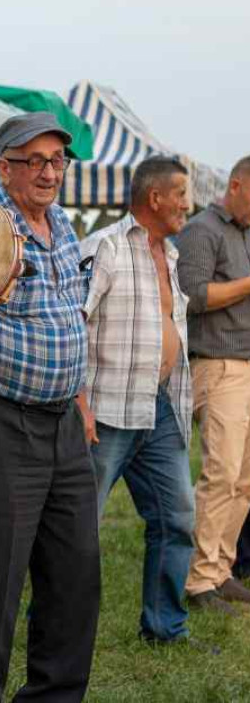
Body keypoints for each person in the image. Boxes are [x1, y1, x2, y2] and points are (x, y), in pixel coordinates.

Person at [0, 112, 100, 703]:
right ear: (3, 166)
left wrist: (80, 399)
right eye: (33, 161)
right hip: (1, 422)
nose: (48, 172)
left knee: (76, 573)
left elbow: (71, 316)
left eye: (57, 161)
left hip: (62, 424)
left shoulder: (60, 222)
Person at [77, 156, 200, 645]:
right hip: (106, 409)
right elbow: (73, 325)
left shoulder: (168, 256)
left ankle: (164, 627)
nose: (188, 206)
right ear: (156, 198)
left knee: (177, 517)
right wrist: (79, 401)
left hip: (158, 405)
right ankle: (53, 620)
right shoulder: (105, 247)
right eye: (183, 196)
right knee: (78, 524)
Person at [175, 154, 250, 612]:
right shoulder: (202, 229)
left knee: (244, 479)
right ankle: (199, 581)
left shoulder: (243, 232)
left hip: (244, 366)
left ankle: (220, 569)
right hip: (218, 365)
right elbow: (193, 297)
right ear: (237, 187)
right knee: (220, 473)